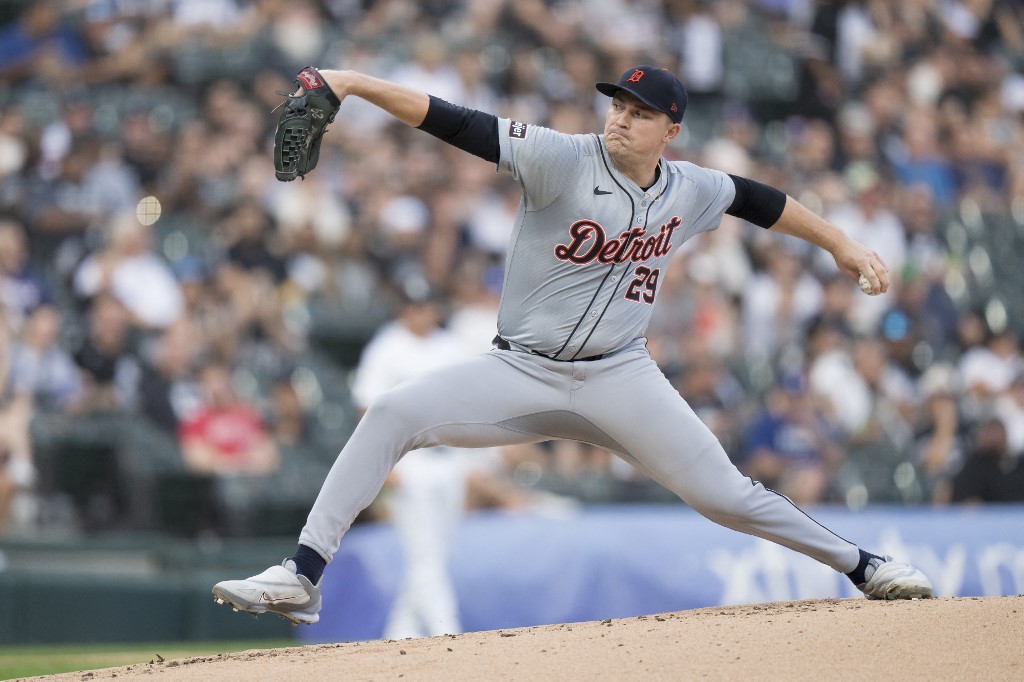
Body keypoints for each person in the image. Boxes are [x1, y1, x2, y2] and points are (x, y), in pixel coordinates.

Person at [213, 63, 933, 625]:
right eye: (617, 105)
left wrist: (840, 242)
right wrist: (355, 85)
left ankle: (862, 565)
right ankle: (302, 575)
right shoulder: (561, 157)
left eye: (640, 112)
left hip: (622, 377)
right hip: (521, 370)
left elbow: (762, 201)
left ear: (670, 129)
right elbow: (455, 122)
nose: (621, 118)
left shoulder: (692, 188)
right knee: (394, 413)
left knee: (726, 496)